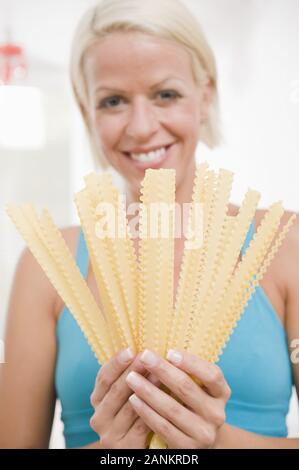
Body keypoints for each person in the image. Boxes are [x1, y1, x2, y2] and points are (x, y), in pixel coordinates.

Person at [0, 0, 298, 449]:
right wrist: (112, 453)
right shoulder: (46, 266)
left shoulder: (285, 243)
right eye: (113, 100)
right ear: (87, 112)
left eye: (166, 94)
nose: (141, 127)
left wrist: (216, 442)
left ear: (206, 95)